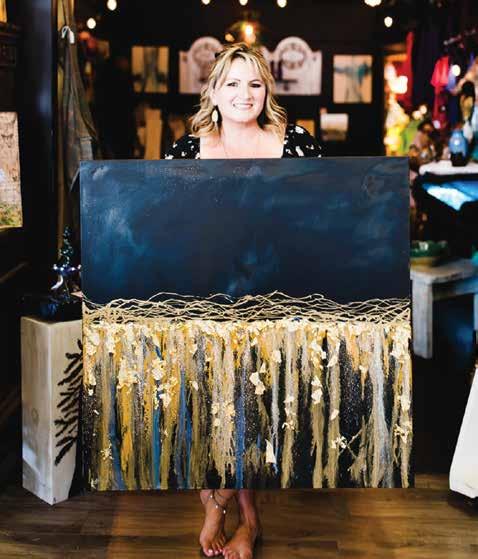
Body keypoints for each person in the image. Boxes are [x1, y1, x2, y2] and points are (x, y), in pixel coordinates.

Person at [165, 42, 322, 559]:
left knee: (260, 404)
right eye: (231, 83)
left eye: (254, 83)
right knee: (218, 401)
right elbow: (166, 227)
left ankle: (220, 499)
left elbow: (322, 219)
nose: (243, 93)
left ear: (266, 91)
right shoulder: (186, 152)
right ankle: (244, 519)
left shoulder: (296, 143)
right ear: (213, 92)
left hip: (280, 296)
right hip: (208, 298)